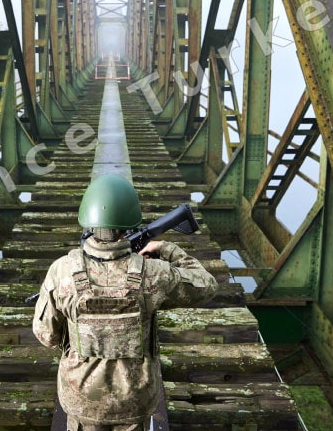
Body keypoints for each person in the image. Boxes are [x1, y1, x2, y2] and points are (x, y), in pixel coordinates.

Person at [32, 173, 218, 431]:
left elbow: (47, 337)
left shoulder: (61, 271)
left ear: (88, 221)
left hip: (81, 400)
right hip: (135, 401)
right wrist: (165, 249)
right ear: (130, 223)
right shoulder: (153, 274)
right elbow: (207, 284)